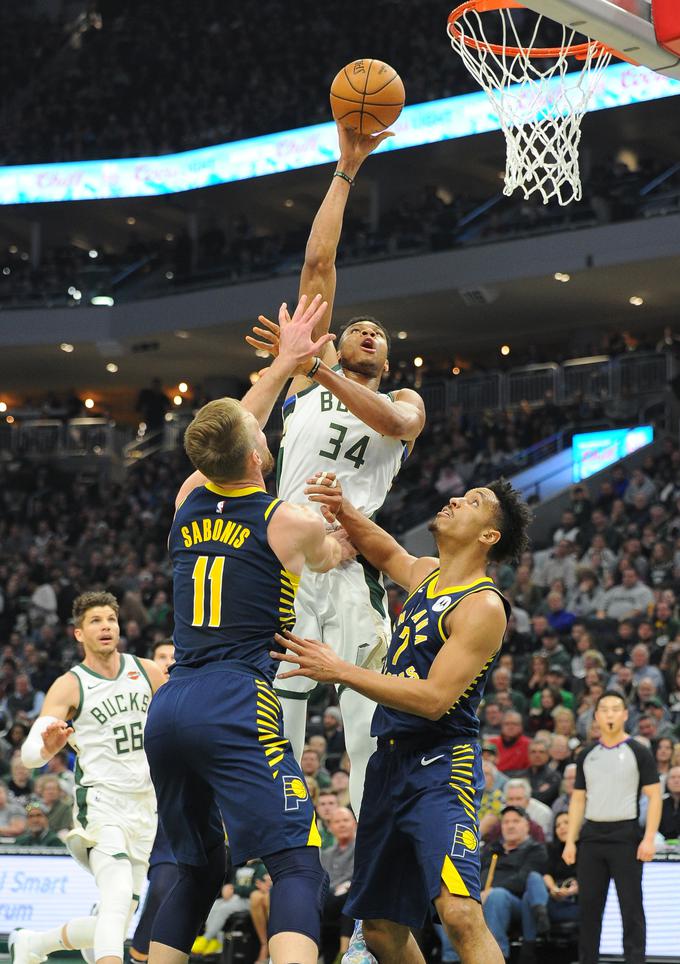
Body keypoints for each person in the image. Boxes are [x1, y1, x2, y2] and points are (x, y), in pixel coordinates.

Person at [144, 295, 355, 964]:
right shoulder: (286, 520)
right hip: (235, 698)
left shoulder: (187, 498)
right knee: (297, 863)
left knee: (191, 864)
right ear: (259, 456)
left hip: (171, 705)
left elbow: (238, 424)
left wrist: (286, 360)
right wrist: (345, 528)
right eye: (262, 435)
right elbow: (337, 553)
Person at [271, 473, 532, 964]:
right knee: (381, 929)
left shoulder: (483, 605)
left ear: (488, 535)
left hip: (439, 766)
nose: (455, 498)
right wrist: (343, 509)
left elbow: (434, 699)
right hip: (388, 765)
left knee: (458, 913)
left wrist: (341, 671)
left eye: (473, 502)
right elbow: (388, 553)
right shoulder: (429, 574)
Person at [246, 121, 426, 815]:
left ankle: (376, 850)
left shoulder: (401, 399)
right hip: (287, 560)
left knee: (364, 722)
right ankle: (285, 843)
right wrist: (345, 170)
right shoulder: (304, 380)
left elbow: (395, 424)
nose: (368, 330)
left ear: (385, 360)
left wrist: (317, 364)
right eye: (357, 327)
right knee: (280, 723)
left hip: (352, 563)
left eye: (378, 334)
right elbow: (319, 265)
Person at [9, 591, 165, 964]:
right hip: (102, 803)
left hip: (147, 807)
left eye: (110, 619)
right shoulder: (71, 684)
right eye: (96, 621)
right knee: (114, 899)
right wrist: (49, 747)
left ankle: (35, 944)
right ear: (79, 633)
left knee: (119, 917)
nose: (106, 626)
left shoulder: (148, 671)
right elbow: (30, 755)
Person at [564, 691, 662, 964]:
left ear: (625, 714)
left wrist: (649, 838)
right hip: (592, 838)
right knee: (589, 911)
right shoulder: (586, 754)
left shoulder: (639, 751)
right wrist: (571, 841)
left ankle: (635, 960)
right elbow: (578, 800)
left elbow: (654, 796)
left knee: (631, 909)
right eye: (604, 709)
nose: (609, 714)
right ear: (595, 716)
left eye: (615, 709)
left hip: (626, 837)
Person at [130, 641, 179, 964]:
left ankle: (139, 956)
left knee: (164, 890)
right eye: (161, 656)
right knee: (122, 900)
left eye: (175, 657)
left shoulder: (188, 705)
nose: (168, 663)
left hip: (169, 814)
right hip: (128, 810)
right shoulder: (130, 704)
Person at [479, 806, 550, 964]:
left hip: (518, 904)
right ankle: (452, 958)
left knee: (498, 896)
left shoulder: (535, 849)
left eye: (516, 821)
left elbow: (523, 880)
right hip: (481, 898)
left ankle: (497, 956)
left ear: (527, 825)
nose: (510, 826)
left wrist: (490, 891)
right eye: (506, 822)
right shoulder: (492, 849)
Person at [320, 807, 357, 964]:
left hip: (349, 898)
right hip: (328, 900)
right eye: (337, 822)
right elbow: (322, 879)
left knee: (348, 897)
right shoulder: (326, 853)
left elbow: (355, 876)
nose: (341, 825)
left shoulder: (361, 849)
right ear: (330, 827)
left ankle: (343, 954)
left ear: (354, 824)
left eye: (345, 820)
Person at [544, 812, 579, 926]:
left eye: (566, 823)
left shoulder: (587, 849)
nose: (562, 827)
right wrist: (554, 889)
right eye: (558, 825)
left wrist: (574, 889)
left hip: (579, 900)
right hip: (556, 898)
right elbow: (546, 874)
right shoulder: (551, 849)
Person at [659, 765, 680, 839]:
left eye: (679, 777)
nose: (676, 781)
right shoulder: (660, 804)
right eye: (673, 777)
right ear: (667, 782)